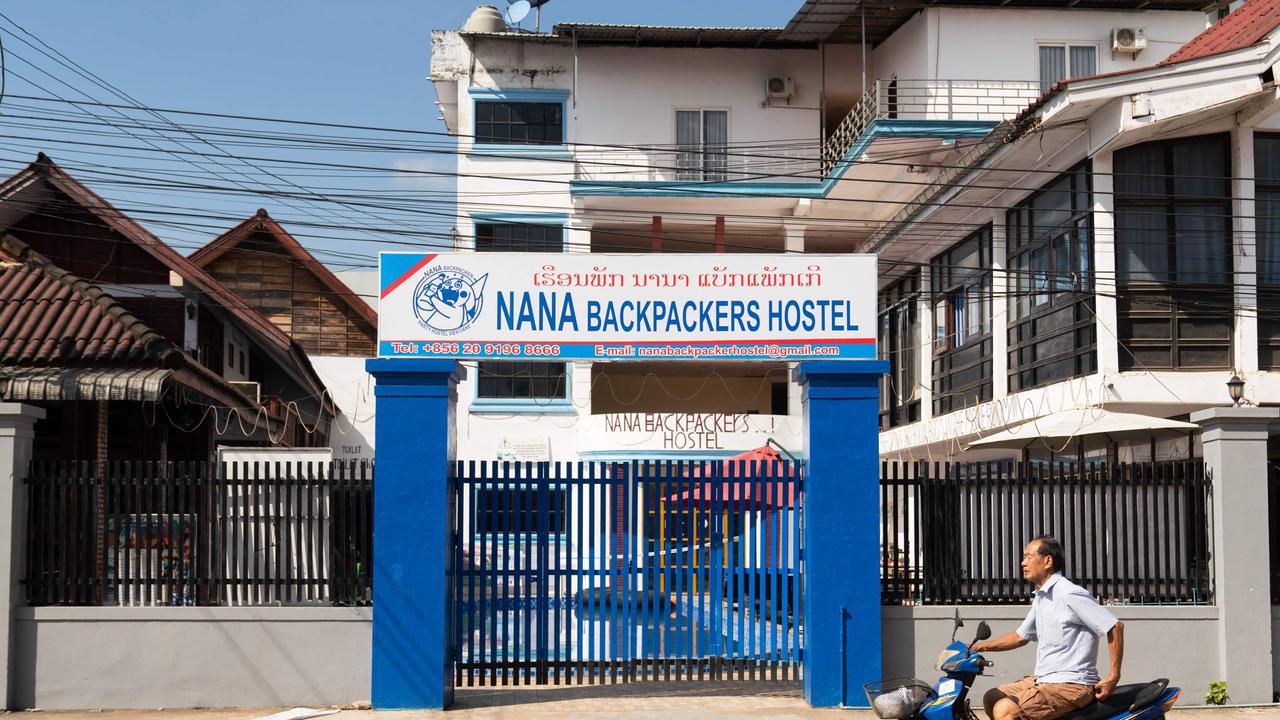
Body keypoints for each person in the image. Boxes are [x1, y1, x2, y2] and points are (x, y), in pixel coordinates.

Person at [972, 536, 1125, 720]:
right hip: (1045, 679)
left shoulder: (1069, 593)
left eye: (1028, 557)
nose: (1023, 563)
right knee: (992, 697)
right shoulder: (1042, 596)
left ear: (1047, 561)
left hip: (1072, 684)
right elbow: (1021, 636)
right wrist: (976, 647)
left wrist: (1113, 675)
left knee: (1005, 710)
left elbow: (1114, 626)